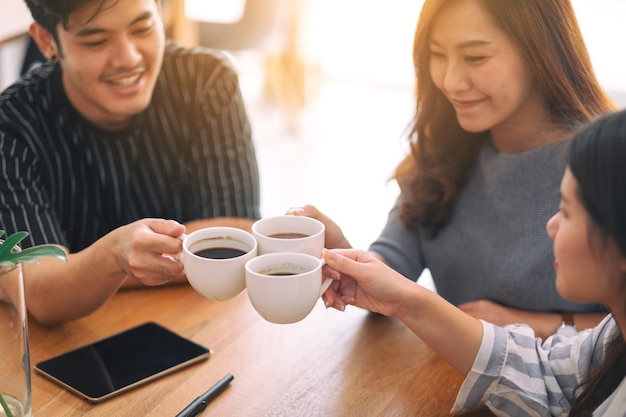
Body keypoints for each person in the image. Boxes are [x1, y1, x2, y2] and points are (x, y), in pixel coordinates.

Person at [290, 0, 617, 339]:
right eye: (437, 54)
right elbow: (394, 268)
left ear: (541, 52)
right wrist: (346, 261)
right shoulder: (445, 143)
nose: (450, 81)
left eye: (475, 57)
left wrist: (535, 325)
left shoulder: (606, 161)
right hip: (454, 383)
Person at [321, 108, 626, 416]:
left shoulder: (599, 157)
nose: (551, 226)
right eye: (438, 57)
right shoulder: (612, 338)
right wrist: (396, 294)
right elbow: (547, 378)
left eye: (567, 211)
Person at [0, 0, 261, 326]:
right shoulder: (11, 128)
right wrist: (113, 256)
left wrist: (89, 269)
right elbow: (41, 296)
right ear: (47, 41)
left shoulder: (206, 81)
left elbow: (239, 235)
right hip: (80, 342)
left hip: (204, 323)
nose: (130, 58)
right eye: (96, 41)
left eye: (143, 28)